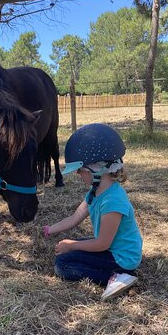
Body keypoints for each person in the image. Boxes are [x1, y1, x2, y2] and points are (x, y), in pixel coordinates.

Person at [43, 123, 142, 301]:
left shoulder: (113, 201)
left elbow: (102, 243)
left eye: (80, 170)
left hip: (121, 258)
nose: (78, 174)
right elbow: (75, 218)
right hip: (111, 249)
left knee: (63, 265)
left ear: (97, 169)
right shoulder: (95, 193)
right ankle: (113, 273)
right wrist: (50, 229)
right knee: (66, 252)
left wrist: (72, 245)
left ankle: (118, 277)